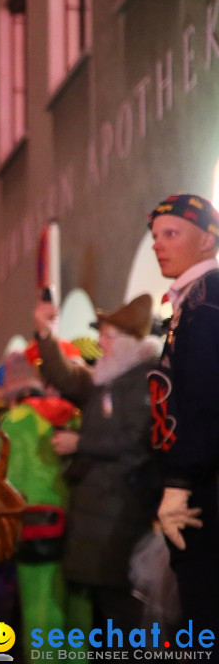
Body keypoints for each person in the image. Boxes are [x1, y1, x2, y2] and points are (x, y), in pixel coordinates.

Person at [34, 293, 160, 629]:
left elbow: (137, 442)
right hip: (99, 513)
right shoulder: (112, 379)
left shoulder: (142, 382)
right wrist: (45, 336)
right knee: (104, 613)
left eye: (107, 335)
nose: (99, 342)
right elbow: (66, 376)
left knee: (119, 612)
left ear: (130, 342)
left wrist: (82, 442)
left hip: (119, 512)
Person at [147, 193, 219, 633]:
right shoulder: (189, 302)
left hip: (204, 493)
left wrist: (178, 482)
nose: (158, 244)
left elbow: (206, 398)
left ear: (208, 240)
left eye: (171, 233)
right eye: (154, 236)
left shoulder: (206, 302)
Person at [0, 351, 91, 658]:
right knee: (78, 608)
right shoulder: (72, 415)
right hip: (77, 521)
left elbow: (8, 480)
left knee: (40, 608)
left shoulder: (14, 420)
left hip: (35, 523)